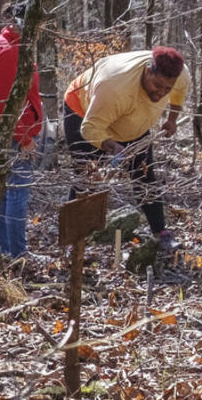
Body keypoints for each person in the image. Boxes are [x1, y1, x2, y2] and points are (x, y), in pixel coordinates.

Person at [60, 46, 185, 249]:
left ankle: (160, 232)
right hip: (84, 112)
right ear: (147, 69)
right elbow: (90, 128)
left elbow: (179, 92)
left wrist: (172, 119)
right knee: (86, 177)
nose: (161, 93)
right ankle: (73, 244)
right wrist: (114, 147)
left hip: (131, 121)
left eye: (167, 89)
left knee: (145, 176)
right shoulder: (114, 87)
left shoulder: (180, 74)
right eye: (157, 85)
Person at [0, 10, 43, 260]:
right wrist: (24, 138)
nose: (40, 31)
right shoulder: (10, 52)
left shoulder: (2, 42)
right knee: (17, 192)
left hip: (5, 132)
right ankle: (16, 252)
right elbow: (6, 104)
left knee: (8, 191)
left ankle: (7, 250)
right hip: (13, 135)